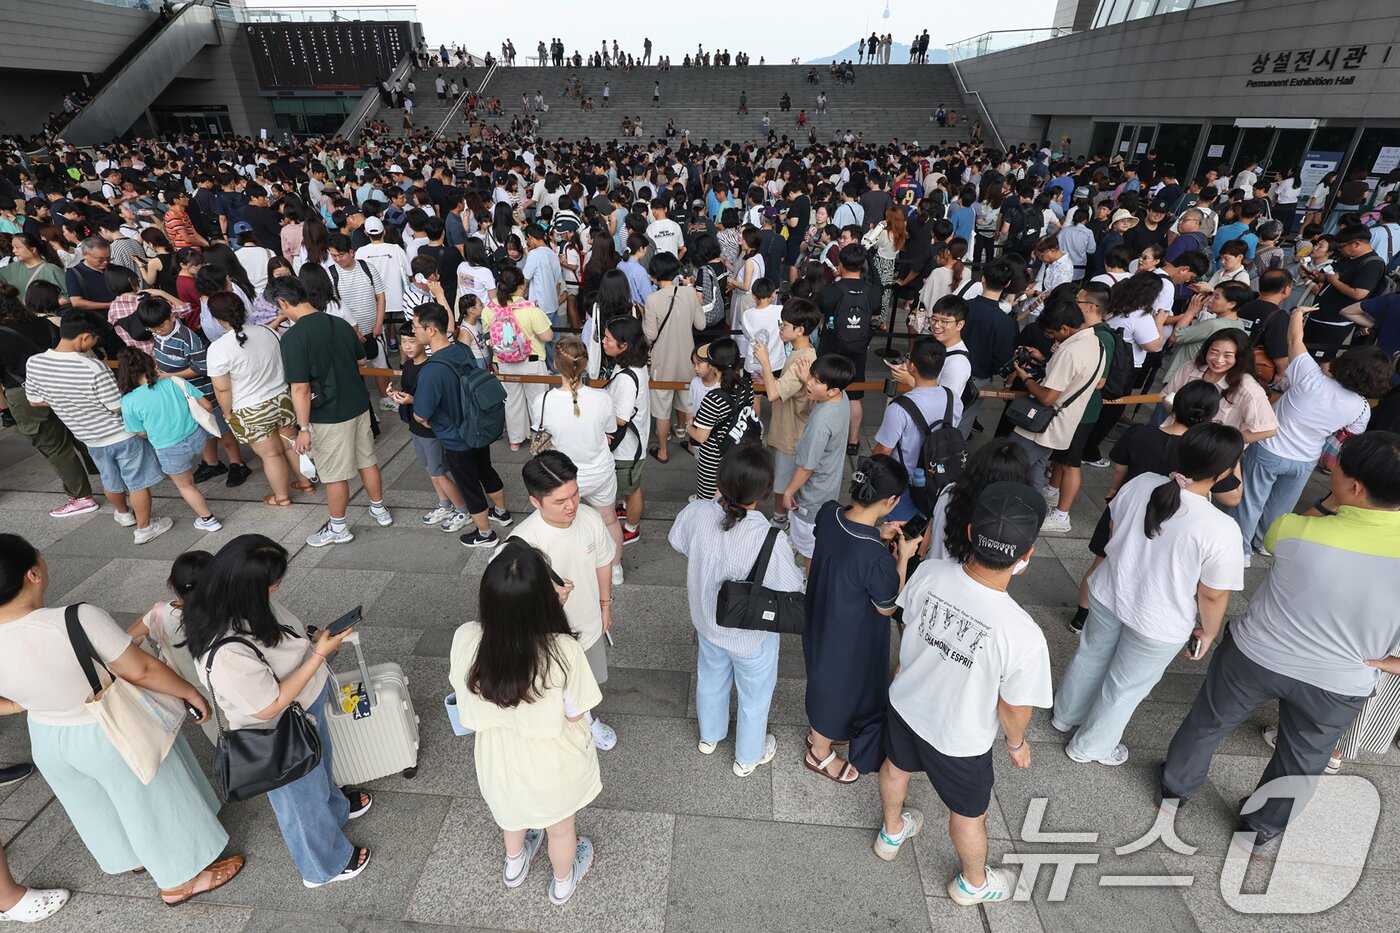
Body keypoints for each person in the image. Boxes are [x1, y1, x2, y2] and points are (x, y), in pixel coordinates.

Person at [1158, 432, 1400, 853]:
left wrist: (1328, 503)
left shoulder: (1295, 530)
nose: (1330, 469)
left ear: (1355, 487)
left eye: (1336, 467)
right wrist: (1389, 664)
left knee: (1209, 722)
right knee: (1303, 759)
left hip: (1257, 654)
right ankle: (1261, 827)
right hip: (1340, 680)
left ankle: (1175, 788)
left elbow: (1272, 540)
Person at [0, 533, 243, 906]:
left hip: (47, 737)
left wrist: (21, 705)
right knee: (152, 799)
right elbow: (141, 670)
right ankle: (180, 881)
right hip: (106, 729)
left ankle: (135, 859)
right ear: (32, 574)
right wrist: (189, 692)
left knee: (95, 803)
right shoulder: (74, 619)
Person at [874, 483, 1052, 909]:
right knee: (970, 814)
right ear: (1025, 556)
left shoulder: (930, 574)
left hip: (905, 706)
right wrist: (1017, 742)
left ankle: (892, 831)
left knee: (895, 767)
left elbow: (910, 625)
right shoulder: (1023, 635)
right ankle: (973, 882)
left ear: (970, 531)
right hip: (959, 739)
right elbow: (1013, 707)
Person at [183, 535, 373, 888]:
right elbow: (268, 705)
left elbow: (282, 638)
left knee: (318, 770)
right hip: (276, 731)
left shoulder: (237, 603)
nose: (277, 588)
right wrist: (318, 654)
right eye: (272, 584)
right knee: (300, 803)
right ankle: (323, 866)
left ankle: (333, 810)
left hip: (302, 705)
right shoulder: (224, 654)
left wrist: (313, 639)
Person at [1053, 424, 1245, 766]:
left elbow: (1113, 530)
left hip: (1109, 590)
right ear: (1225, 472)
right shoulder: (1221, 528)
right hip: (1159, 620)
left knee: (1090, 654)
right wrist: (1209, 630)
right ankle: (1089, 747)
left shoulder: (1141, 483)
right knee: (1124, 687)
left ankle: (1064, 716)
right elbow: (1213, 595)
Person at [450, 538, 602, 904]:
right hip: (554, 763)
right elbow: (576, 711)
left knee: (511, 816)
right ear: (543, 602)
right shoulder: (563, 650)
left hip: (497, 759)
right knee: (562, 830)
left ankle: (514, 865)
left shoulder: (466, 638)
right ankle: (563, 883)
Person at [669, 445, 805, 776]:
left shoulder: (697, 512)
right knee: (754, 696)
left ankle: (709, 736)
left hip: (706, 621)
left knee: (710, 678)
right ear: (763, 491)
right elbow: (792, 587)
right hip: (749, 635)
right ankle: (747, 756)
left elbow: (677, 541)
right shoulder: (768, 537)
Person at [1069, 379, 1243, 633]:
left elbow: (1119, 468)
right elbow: (1233, 497)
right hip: (1172, 520)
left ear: (1175, 404)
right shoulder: (1205, 453)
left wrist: (1115, 491)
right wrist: (1232, 457)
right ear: (1211, 414)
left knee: (1101, 562)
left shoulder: (1139, 434)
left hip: (1126, 506)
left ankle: (1081, 618)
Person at [1233, 307, 1389, 563]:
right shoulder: (1362, 408)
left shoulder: (1310, 376)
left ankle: (1241, 551)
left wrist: (1297, 314)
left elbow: (1295, 340)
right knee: (1280, 507)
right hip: (1306, 459)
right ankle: (1264, 542)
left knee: (1250, 500)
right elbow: (1346, 438)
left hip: (1269, 448)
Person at [804, 455, 917, 782]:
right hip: (848, 635)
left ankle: (821, 733)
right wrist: (903, 559)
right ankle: (819, 751)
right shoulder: (873, 557)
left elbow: (841, 546)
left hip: (820, 617)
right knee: (837, 688)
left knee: (823, 677)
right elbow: (887, 606)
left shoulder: (829, 514)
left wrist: (877, 531)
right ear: (890, 501)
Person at [23, 309, 173, 545]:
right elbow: (116, 407)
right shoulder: (93, 368)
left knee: (110, 479)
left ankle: (124, 515)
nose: (95, 345)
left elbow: (34, 400)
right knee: (137, 483)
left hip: (88, 437)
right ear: (84, 337)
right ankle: (145, 528)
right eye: (95, 339)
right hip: (122, 435)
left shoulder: (35, 363)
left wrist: (65, 398)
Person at [504, 452, 618, 751]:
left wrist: (605, 604)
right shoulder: (521, 545)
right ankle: (561, 732)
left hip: (589, 624)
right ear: (535, 501)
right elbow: (507, 606)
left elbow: (603, 561)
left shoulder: (590, 518)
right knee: (553, 689)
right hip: (545, 638)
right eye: (560, 501)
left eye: (575, 493)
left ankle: (587, 720)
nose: (572, 506)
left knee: (586, 684)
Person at [269, 276, 393, 546]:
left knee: (335, 474)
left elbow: (299, 389)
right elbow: (362, 358)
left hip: (327, 414)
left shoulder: (294, 338)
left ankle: (338, 528)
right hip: (358, 405)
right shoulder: (338, 323)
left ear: (283, 303)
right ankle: (379, 509)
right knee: (367, 461)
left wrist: (302, 429)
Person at [407, 302, 512, 546]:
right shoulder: (461, 350)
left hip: (456, 437)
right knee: (485, 470)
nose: (414, 332)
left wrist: (415, 410)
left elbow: (421, 415)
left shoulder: (432, 371)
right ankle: (501, 512)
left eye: (416, 327)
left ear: (431, 330)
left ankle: (485, 534)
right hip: (478, 424)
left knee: (469, 485)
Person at [204, 291, 313, 508]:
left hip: (249, 408)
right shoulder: (267, 331)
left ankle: (281, 498)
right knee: (291, 445)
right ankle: (306, 483)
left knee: (271, 455)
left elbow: (222, 389)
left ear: (218, 319)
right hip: (282, 398)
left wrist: (227, 413)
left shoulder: (218, 349)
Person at [0, 282, 98, 518]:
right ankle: (111, 475)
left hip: (23, 393)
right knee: (82, 432)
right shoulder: (44, 323)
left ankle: (82, 497)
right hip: (62, 384)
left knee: (54, 445)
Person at [538, 337, 626, 582]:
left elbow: (541, 434)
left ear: (555, 364)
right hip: (599, 471)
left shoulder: (543, 402)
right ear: (585, 364)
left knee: (563, 524)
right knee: (609, 519)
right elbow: (609, 429)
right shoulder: (603, 399)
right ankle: (615, 569)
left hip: (562, 477)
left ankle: (566, 571)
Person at [115, 347, 222, 531]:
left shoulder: (128, 401)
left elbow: (140, 432)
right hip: (197, 439)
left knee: (187, 486)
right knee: (189, 479)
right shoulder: (174, 381)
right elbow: (206, 405)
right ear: (150, 364)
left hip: (170, 449)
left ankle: (209, 520)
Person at [1008, 300, 1109, 485]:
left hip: (1041, 427)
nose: (1050, 338)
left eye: (1051, 333)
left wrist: (1026, 378)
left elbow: (1047, 398)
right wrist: (1045, 361)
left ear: (1064, 328)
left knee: (1008, 471)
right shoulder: (1098, 343)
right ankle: (1034, 511)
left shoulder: (1070, 351)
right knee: (1034, 475)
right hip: (1062, 426)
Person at [781, 355, 855, 568]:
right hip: (829, 487)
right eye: (812, 377)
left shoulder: (820, 424)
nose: (810, 383)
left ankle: (810, 591)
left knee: (810, 553)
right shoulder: (842, 397)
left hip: (812, 497)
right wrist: (810, 380)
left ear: (832, 390)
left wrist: (788, 492)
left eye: (817, 381)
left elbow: (807, 467)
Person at [873, 337, 959, 522]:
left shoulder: (899, 408)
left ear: (912, 367)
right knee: (921, 530)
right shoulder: (953, 399)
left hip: (906, 486)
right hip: (939, 480)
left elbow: (882, 452)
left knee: (897, 533)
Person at [753, 299, 819, 526]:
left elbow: (773, 395)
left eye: (784, 325)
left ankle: (780, 520)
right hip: (788, 430)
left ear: (800, 330)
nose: (780, 328)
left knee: (783, 482)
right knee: (782, 479)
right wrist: (771, 379)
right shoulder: (804, 353)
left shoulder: (802, 359)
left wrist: (765, 363)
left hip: (790, 435)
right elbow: (785, 387)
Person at [643, 252, 708, 463]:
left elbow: (650, 335)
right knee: (688, 406)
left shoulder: (652, 300)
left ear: (654, 275)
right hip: (688, 362)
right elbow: (701, 325)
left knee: (662, 411)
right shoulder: (689, 294)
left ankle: (662, 450)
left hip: (662, 363)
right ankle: (691, 443)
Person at [928, 438, 1033, 564]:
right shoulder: (1009, 520)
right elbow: (1017, 568)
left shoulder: (948, 493)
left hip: (933, 570)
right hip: (973, 581)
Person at [817, 243, 879, 453]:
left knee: (824, 392)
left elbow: (820, 313)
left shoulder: (830, 290)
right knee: (854, 397)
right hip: (858, 349)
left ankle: (824, 437)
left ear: (840, 265)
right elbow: (875, 318)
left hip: (830, 348)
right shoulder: (872, 291)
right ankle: (853, 442)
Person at [484, 266, 554, 450]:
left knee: (512, 401)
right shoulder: (529, 309)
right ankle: (539, 440)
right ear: (522, 286)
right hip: (531, 361)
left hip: (504, 362)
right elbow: (548, 336)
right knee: (537, 401)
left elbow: (487, 336)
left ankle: (515, 440)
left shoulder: (490, 309)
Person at [602, 316, 650, 545]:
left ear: (624, 345)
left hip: (627, 448)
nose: (603, 341)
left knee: (632, 489)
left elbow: (620, 419)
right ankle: (626, 509)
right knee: (629, 486)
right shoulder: (634, 365)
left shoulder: (626, 379)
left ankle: (632, 528)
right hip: (633, 443)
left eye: (608, 338)